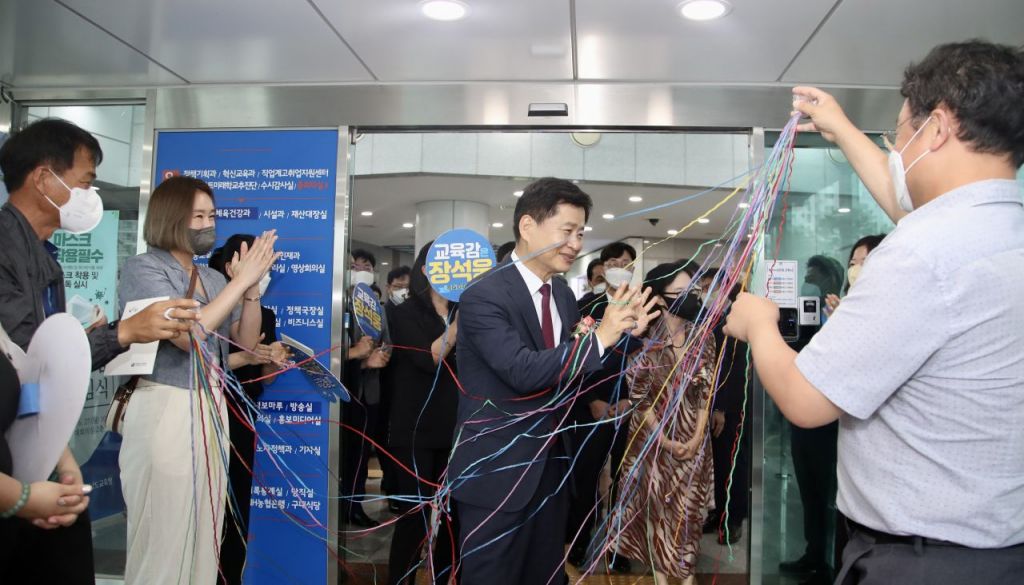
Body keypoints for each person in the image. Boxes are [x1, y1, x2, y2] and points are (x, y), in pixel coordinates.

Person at [726, 40, 1024, 584]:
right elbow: (909, 205)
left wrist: (759, 324)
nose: (896, 150)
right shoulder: (998, 229)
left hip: (924, 562)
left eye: (898, 134)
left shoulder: (922, 253)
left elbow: (805, 400)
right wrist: (841, 127)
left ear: (937, 129)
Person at [0, 117, 198, 584]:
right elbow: (29, 356)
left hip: (37, 449)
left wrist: (59, 455)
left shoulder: (43, 255)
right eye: (86, 182)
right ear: (44, 178)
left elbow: (45, 368)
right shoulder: (6, 249)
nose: (91, 195)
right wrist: (124, 333)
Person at [448, 177, 658, 585]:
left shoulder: (561, 294)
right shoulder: (483, 294)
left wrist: (623, 336)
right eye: (567, 230)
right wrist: (600, 337)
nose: (576, 243)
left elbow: (570, 369)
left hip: (552, 468)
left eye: (580, 233)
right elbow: (522, 370)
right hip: (498, 472)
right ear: (528, 226)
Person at [118, 175, 279, 584]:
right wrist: (239, 281)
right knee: (163, 532)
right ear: (171, 218)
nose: (208, 225)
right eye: (198, 216)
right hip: (165, 404)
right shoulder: (144, 268)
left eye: (212, 216)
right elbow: (188, 336)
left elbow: (244, 342)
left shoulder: (213, 279)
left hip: (211, 405)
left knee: (206, 533)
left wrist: (250, 290)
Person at [615, 261, 715, 585]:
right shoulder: (642, 340)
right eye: (681, 292)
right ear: (659, 297)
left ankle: (686, 577)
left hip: (693, 440)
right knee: (656, 515)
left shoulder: (703, 336)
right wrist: (664, 440)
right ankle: (661, 579)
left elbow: (706, 392)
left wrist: (697, 436)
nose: (691, 297)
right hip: (652, 441)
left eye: (694, 290)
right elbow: (639, 397)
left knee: (688, 515)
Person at [208, 234, 290, 585]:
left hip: (244, 417)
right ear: (231, 267)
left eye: (267, 265)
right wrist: (245, 357)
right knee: (207, 505)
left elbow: (264, 379)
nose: (264, 272)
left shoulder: (265, 314)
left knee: (237, 506)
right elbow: (193, 363)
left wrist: (273, 361)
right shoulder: (210, 305)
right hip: (209, 411)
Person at [385, 241, 460, 585]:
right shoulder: (405, 312)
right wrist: (457, 326)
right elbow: (427, 358)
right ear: (427, 270)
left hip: (457, 428)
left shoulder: (469, 309)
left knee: (453, 516)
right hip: (414, 429)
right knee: (414, 517)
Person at [566, 242, 641, 573]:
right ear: (604, 266)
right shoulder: (586, 307)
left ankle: (619, 548)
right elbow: (573, 359)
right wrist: (590, 400)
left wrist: (633, 399)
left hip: (630, 409)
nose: (620, 267)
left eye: (626, 263)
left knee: (625, 480)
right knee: (585, 478)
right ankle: (579, 542)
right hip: (590, 407)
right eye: (613, 262)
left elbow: (648, 359)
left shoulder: (642, 307)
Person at [341, 249, 391, 527]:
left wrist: (379, 356)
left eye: (366, 267)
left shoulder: (377, 308)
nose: (360, 270)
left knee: (360, 453)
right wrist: (359, 360)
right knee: (342, 452)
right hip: (340, 392)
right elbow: (327, 353)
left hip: (368, 392)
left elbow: (388, 344)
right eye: (353, 266)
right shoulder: (336, 303)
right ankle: (338, 505)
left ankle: (355, 504)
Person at [705, 284, 752, 546]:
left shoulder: (737, 322)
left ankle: (733, 518)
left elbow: (732, 368)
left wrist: (720, 407)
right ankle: (719, 512)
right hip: (712, 405)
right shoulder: (714, 318)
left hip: (730, 407)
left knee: (731, 463)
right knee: (717, 464)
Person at [824, 235, 886, 316]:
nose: (855, 269)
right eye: (852, 264)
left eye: (864, 263)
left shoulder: (889, 306)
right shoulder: (848, 305)